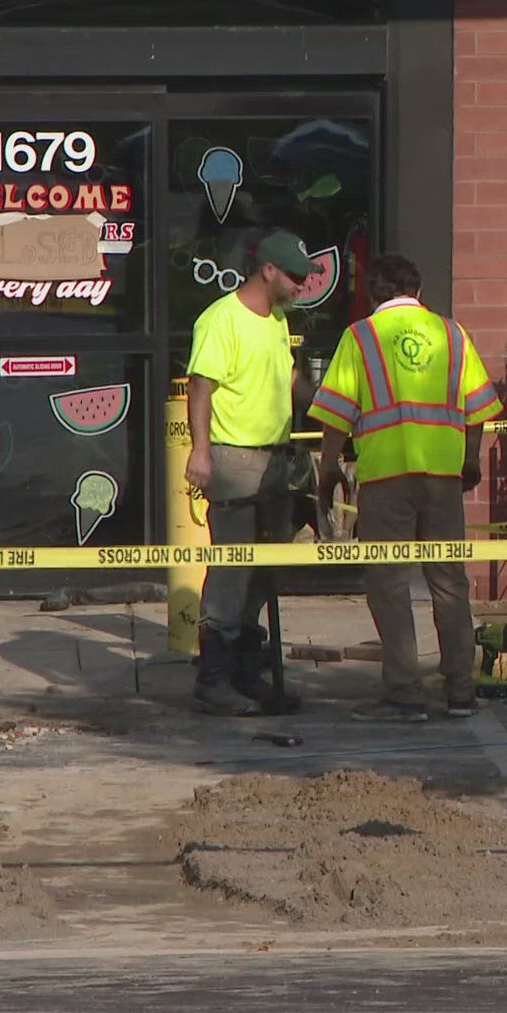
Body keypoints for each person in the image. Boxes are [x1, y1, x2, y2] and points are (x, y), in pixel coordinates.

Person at [309, 254, 503, 722]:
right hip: (442, 476)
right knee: (449, 584)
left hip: (385, 477)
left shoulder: (361, 337)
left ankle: (404, 695)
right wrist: (469, 460)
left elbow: (338, 410)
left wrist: (331, 467)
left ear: (374, 295)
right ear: (417, 291)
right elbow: (477, 406)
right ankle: (461, 691)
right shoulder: (452, 333)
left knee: (390, 586)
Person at [184, 230, 311, 717]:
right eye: (295, 277)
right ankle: (212, 680)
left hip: (275, 458)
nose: (301, 286)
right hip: (234, 457)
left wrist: (331, 409)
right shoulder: (222, 319)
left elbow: (289, 377)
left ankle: (245, 669)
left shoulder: (277, 319)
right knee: (233, 569)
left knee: (265, 570)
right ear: (269, 271)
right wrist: (201, 452)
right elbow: (201, 387)